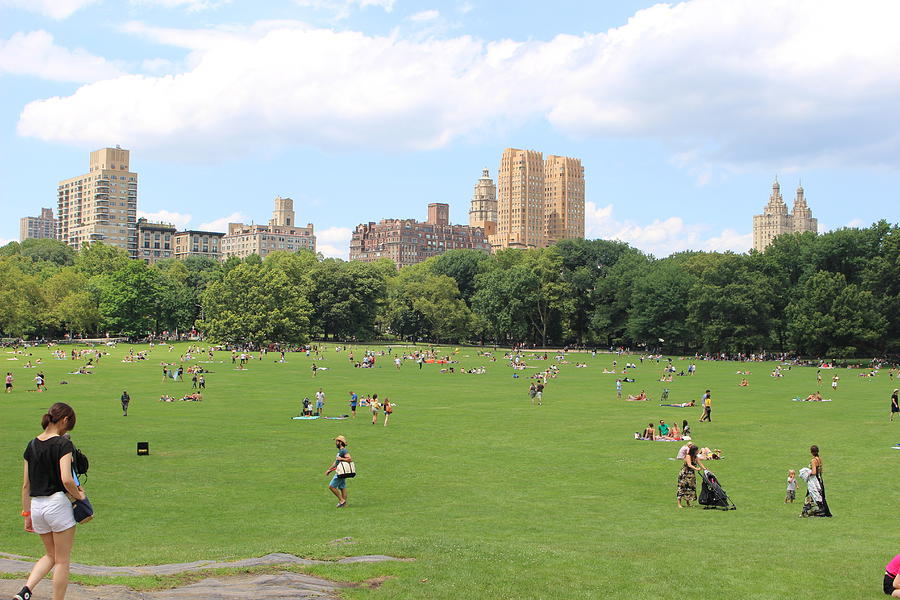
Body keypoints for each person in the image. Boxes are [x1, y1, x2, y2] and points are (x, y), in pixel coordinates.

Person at [14, 402, 87, 600]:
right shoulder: (63, 444)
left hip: (37, 506)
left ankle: (25, 591)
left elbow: (26, 485)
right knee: (62, 561)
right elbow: (66, 478)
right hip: (57, 504)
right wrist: (80, 496)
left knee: (51, 556)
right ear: (64, 420)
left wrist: (26, 514)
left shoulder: (32, 444)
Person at [802, 444, 832, 517]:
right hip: (820, 479)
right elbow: (820, 471)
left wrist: (807, 473)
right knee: (821, 496)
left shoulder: (813, 460)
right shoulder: (819, 459)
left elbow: (814, 472)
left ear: (812, 452)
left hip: (814, 481)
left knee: (809, 495)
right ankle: (826, 512)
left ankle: (807, 513)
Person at [325, 435, 352, 508]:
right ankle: (344, 504)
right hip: (341, 472)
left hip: (340, 472)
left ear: (340, 442)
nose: (336, 443)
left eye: (337, 441)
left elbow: (349, 459)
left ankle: (342, 501)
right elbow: (336, 462)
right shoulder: (340, 451)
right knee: (342, 487)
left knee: (331, 486)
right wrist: (329, 470)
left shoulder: (344, 450)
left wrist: (341, 458)